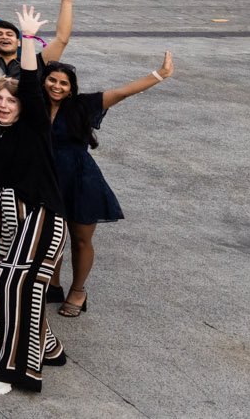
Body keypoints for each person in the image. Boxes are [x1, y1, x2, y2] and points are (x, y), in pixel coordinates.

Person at [0, 5, 71, 395]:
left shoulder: (35, 126)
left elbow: (31, 86)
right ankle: (49, 347)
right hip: (11, 217)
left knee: (14, 286)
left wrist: (29, 41)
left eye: (9, 101)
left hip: (43, 216)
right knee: (13, 285)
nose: (2, 104)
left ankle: (13, 368)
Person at [42, 50, 173, 316]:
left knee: (80, 239)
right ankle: (52, 284)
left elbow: (123, 92)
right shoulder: (34, 106)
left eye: (63, 83)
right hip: (46, 179)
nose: (56, 86)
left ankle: (78, 291)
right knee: (50, 237)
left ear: (70, 89)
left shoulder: (83, 105)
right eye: (52, 80)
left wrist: (160, 74)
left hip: (80, 180)